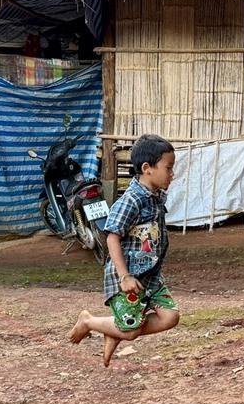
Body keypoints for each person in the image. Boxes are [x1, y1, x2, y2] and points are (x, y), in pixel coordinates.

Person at [69, 134, 180, 366]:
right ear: (147, 168)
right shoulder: (131, 200)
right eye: (168, 168)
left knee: (170, 317)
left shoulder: (156, 197)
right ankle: (89, 321)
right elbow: (112, 238)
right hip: (127, 277)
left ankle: (116, 330)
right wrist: (124, 276)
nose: (172, 174)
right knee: (130, 331)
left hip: (150, 276)